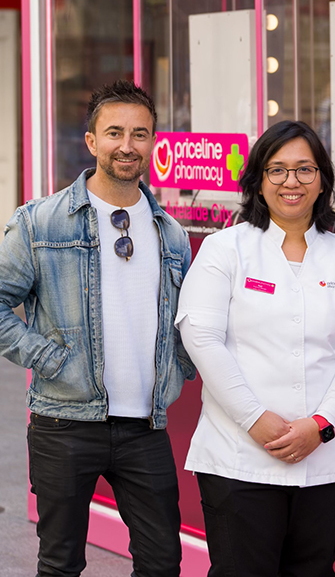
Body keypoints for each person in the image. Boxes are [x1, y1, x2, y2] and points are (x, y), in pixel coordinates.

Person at [0, 79, 194, 577]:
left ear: (153, 142)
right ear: (91, 141)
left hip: (145, 426)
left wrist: (179, 367)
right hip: (64, 422)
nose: (127, 145)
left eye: (139, 134)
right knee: (60, 563)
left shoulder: (171, 234)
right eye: (114, 133)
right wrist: (48, 358)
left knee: (162, 561)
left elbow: (186, 321)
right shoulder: (40, 223)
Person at [176, 120, 335, 577]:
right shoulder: (225, 249)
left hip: (326, 461)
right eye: (277, 170)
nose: (291, 182)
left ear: (322, 180)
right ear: (258, 181)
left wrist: (320, 426)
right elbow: (201, 337)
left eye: (305, 169)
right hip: (239, 457)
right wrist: (255, 419)